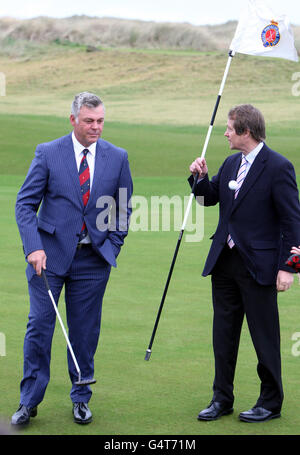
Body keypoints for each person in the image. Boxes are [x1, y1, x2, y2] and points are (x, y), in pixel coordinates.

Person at [12, 92, 133, 426]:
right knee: (39, 327)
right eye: (89, 121)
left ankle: (81, 397)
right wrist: (33, 247)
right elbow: (24, 205)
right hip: (47, 259)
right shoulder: (48, 152)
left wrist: (112, 247)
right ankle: (29, 401)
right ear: (73, 120)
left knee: (83, 332)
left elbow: (123, 208)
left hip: (93, 261)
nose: (96, 127)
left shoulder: (117, 157)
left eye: (100, 121)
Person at [189, 104, 300, 423]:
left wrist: (290, 266)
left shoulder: (278, 166)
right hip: (224, 263)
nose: (225, 133)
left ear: (246, 132)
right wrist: (198, 178)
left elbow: (293, 221)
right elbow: (207, 199)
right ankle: (221, 398)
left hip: (261, 267)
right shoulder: (229, 162)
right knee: (223, 335)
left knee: (264, 336)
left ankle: (271, 402)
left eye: (229, 128)